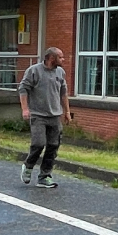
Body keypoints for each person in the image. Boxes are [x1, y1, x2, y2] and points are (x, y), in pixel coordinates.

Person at [18, 47, 70, 188]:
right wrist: (25, 109)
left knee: (53, 145)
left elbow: (63, 93)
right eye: (61, 57)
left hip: (54, 115)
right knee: (39, 143)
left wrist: (67, 112)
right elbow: (23, 89)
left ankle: (44, 176)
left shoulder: (60, 72)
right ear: (51, 58)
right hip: (38, 115)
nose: (63, 60)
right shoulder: (34, 71)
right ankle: (28, 167)